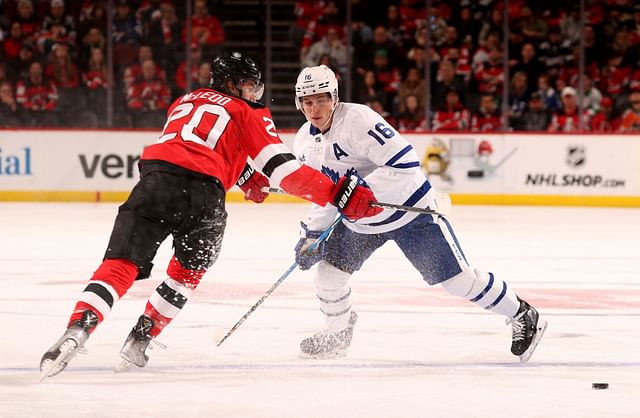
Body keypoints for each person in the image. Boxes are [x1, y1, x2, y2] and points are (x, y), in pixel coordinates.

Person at [40, 52, 383, 379]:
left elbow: (200, 146)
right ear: (233, 85)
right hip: (202, 197)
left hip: (153, 182)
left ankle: (78, 327)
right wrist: (339, 194)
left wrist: (245, 177)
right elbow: (284, 171)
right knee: (186, 273)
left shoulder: (185, 100)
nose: (253, 92)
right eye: (249, 85)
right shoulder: (248, 111)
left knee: (120, 263)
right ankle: (141, 337)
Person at [291, 65, 547, 361]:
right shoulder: (304, 142)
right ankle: (338, 334)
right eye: (307, 102)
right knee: (328, 276)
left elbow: (406, 164)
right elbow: (325, 194)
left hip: (410, 213)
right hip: (361, 223)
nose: (314, 108)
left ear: (334, 97)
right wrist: (310, 236)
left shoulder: (358, 120)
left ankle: (522, 313)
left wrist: (363, 188)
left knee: (457, 282)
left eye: (321, 99)